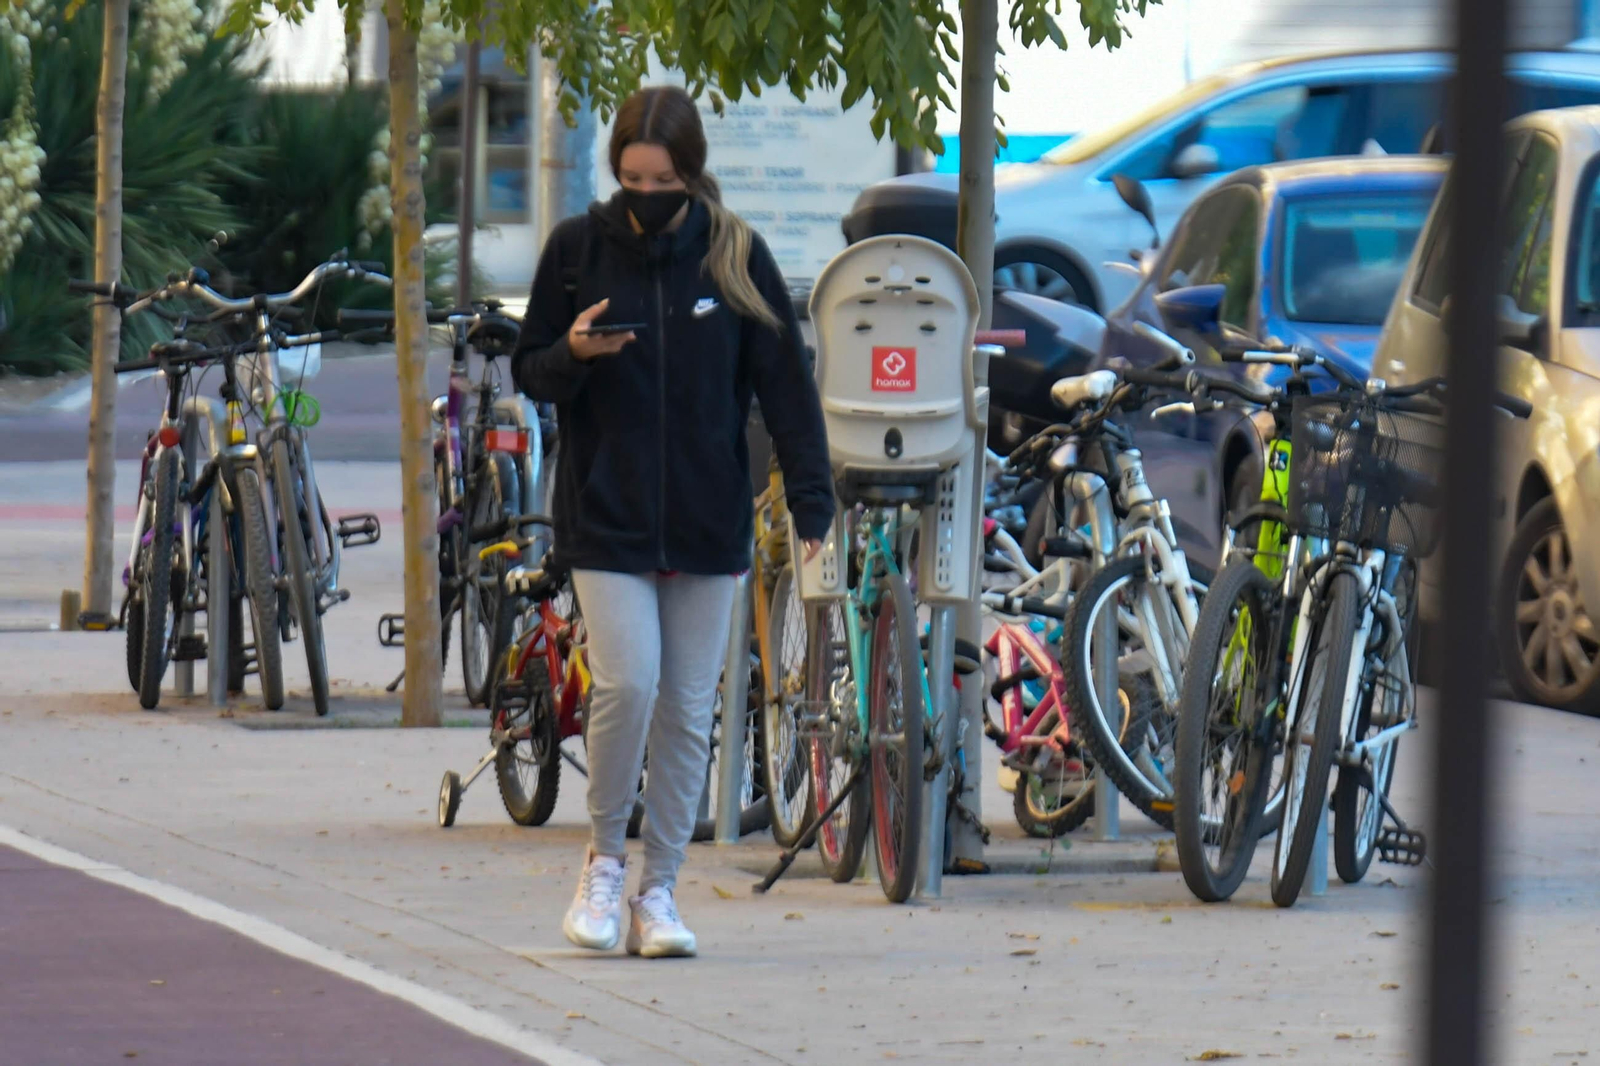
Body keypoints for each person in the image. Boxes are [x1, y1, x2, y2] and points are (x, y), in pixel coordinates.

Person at [512, 85, 835, 958]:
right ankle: (603, 865)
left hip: (705, 518)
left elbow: (786, 387)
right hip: (605, 516)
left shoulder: (734, 256)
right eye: (629, 177)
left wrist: (812, 500)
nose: (644, 196)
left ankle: (660, 891)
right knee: (629, 684)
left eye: (660, 179)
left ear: (691, 175)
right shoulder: (578, 250)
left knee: (691, 710)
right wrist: (573, 356)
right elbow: (531, 369)